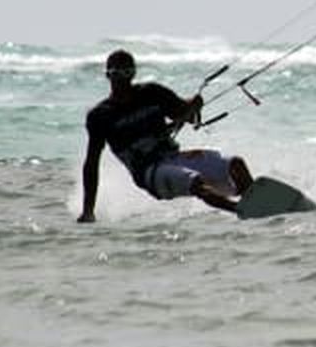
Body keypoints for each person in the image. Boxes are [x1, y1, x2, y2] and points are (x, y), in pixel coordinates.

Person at [77, 49, 254, 223]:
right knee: (197, 182)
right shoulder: (100, 116)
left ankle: (255, 204)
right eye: (116, 73)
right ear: (108, 75)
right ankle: (242, 210)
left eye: (127, 72)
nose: (122, 78)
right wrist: (88, 211)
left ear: (133, 73)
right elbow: (92, 163)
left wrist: (193, 104)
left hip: (174, 157)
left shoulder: (152, 92)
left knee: (235, 164)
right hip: (149, 173)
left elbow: (185, 114)